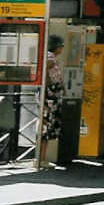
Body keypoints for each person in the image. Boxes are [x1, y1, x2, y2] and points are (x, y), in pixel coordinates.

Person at [39, 35, 64, 167]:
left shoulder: (50, 57)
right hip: (49, 97)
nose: (62, 48)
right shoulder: (50, 58)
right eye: (61, 46)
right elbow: (44, 72)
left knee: (47, 126)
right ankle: (41, 159)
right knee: (45, 126)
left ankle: (42, 159)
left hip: (51, 95)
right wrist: (49, 88)